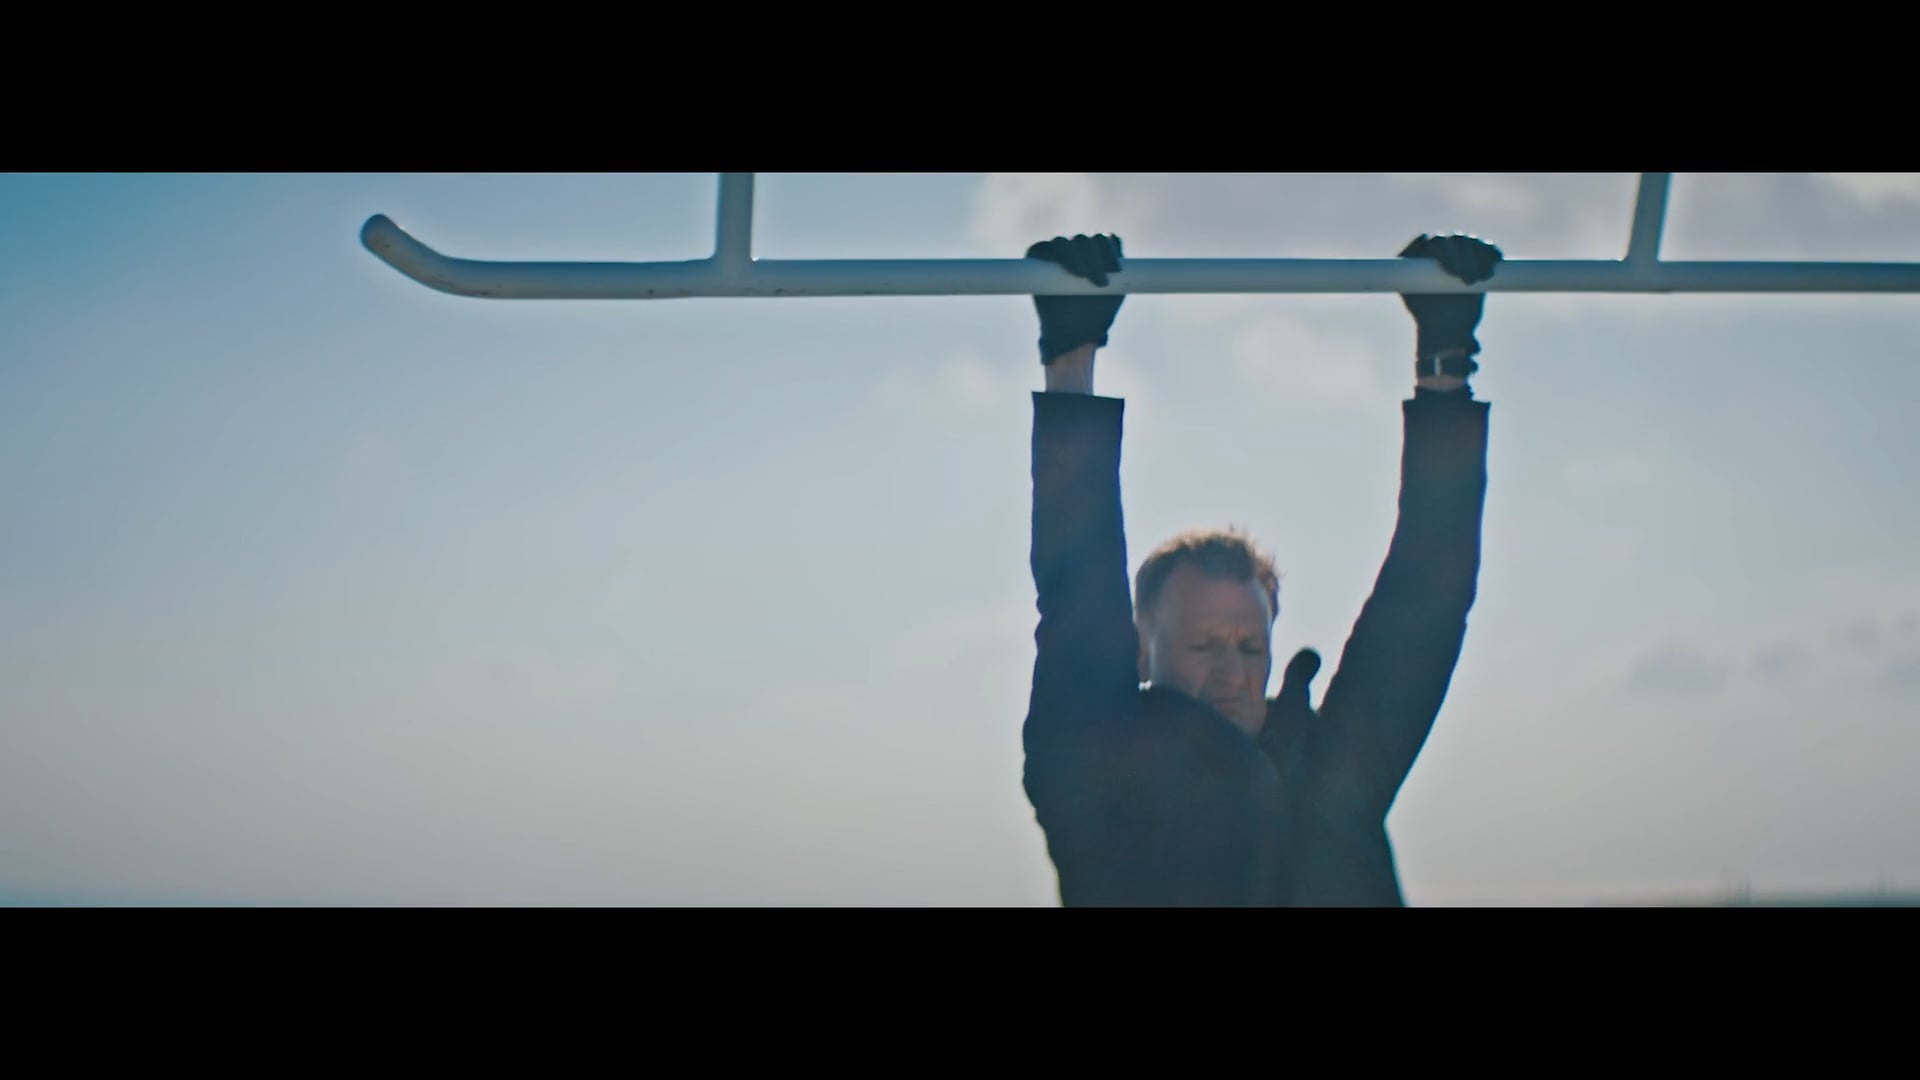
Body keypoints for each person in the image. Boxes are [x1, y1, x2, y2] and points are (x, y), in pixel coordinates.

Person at [1019, 230, 1498, 907]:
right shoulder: (1100, 772)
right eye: (1203, 645)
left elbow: (1426, 603)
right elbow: (1077, 592)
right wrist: (1072, 358)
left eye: (1250, 647)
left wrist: (1447, 359)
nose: (1233, 672)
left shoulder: (1331, 772)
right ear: (1141, 651)